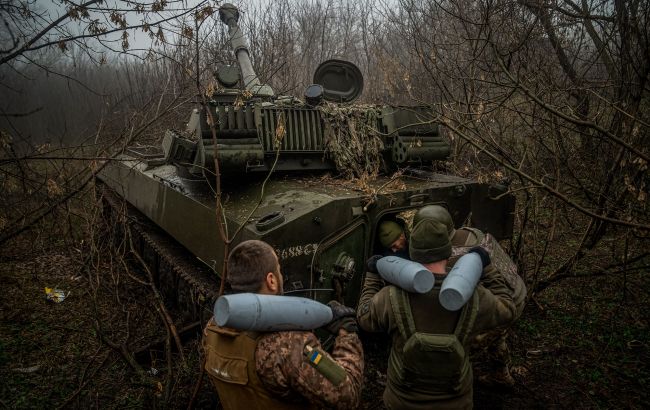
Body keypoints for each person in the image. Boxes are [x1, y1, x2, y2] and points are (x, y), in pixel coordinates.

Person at [357, 219, 516, 409]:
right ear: (449, 252)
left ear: (412, 253)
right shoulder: (475, 297)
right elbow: (508, 309)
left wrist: (373, 276)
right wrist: (487, 269)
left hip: (402, 402)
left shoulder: (390, 296)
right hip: (456, 402)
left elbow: (363, 317)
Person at [202, 240, 364, 410]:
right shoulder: (289, 346)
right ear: (271, 280)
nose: (281, 275)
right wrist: (347, 336)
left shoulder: (212, 327)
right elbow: (347, 396)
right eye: (278, 269)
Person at [413, 205, 527, 386]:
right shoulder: (474, 233)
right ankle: (501, 374)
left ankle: (453, 383)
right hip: (517, 291)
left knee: (462, 341)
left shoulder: (452, 257)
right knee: (498, 336)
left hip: (505, 304)